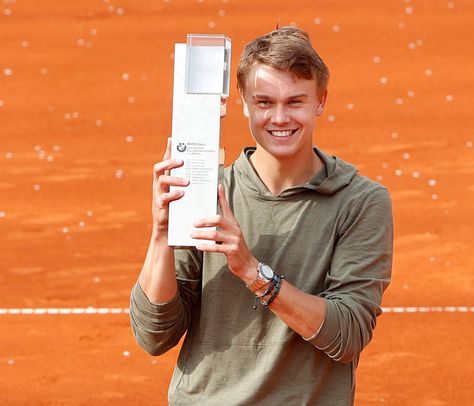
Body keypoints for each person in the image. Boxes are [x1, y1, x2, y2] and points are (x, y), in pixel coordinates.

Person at [130, 26, 393, 405]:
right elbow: (154, 336)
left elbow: (347, 334)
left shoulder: (360, 201)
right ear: (244, 102)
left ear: (321, 100)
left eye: (295, 101)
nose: (280, 118)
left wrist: (253, 271)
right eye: (265, 102)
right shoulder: (208, 192)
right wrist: (161, 233)